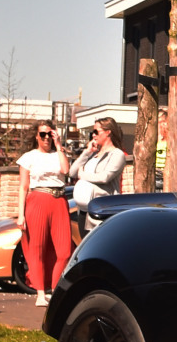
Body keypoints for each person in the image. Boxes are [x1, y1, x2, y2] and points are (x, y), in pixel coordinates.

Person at [13, 123, 72, 308]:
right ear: (37, 136)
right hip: (37, 199)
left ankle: (55, 289)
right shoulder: (28, 157)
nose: (46, 137)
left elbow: (65, 171)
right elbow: (23, 187)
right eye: (43, 134)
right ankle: (40, 292)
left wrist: (59, 144)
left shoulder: (58, 155)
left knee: (64, 251)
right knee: (36, 247)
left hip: (59, 200)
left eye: (50, 134)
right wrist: (20, 214)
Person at [69, 118, 127, 234]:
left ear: (108, 132)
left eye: (96, 132)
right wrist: (87, 152)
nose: (93, 135)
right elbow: (72, 172)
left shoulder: (116, 154)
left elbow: (104, 177)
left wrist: (83, 175)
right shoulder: (93, 154)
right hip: (84, 212)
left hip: (101, 211)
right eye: (92, 132)